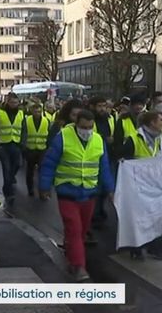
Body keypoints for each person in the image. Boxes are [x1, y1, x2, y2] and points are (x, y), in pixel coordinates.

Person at [39, 110, 114, 281]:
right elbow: (49, 164)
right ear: (76, 125)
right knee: (74, 229)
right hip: (67, 192)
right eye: (83, 127)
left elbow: (104, 167)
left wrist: (110, 189)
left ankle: (71, 252)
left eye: (89, 127)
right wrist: (44, 187)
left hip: (89, 193)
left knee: (81, 231)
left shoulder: (98, 140)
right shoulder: (63, 137)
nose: (86, 130)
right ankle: (79, 266)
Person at [122, 111, 162, 260]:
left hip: (156, 185)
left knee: (157, 217)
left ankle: (153, 248)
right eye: (161, 119)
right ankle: (136, 247)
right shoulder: (134, 139)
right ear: (151, 123)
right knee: (140, 219)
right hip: (139, 187)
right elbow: (124, 161)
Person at [0, 93, 24, 206]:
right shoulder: (0, 112)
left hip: (16, 144)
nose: (14, 105)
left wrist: (22, 143)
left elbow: (24, 129)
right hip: (3, 145)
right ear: (8, 102)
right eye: (12, 102)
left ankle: (10, 179)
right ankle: (8, 192)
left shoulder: (21, 113)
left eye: (16, 103)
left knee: (17, 165)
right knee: (6, 168)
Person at [88, 96, 115, 226]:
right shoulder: (90, 121)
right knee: (96, 188)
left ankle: (99, 209)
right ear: (92, 107)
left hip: (108, 155)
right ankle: (94, 214)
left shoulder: (109, 119)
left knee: (105, 187)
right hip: (93, 157)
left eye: (104, 106)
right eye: (99, 106)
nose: (103, 109)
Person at [23, 103, 49, 198]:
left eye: (39, 111)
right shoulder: (27, 120)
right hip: (30, 149)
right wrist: (24, 148)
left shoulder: (46, 121)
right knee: (30, 172)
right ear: (32, 111)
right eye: (35, 111)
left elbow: (49, 135)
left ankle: (42, 192)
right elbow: (24, 134)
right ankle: (30, 189)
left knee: (42, 172)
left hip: (42, 149)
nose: (37, 113)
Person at [113, 93, 146, 158]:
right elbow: (117, 143)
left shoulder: (149, 120)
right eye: (136, 104)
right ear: (131, 106)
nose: (139, 107)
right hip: (128, 158)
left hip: (144, 159)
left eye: (141, 104)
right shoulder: (122, 121)